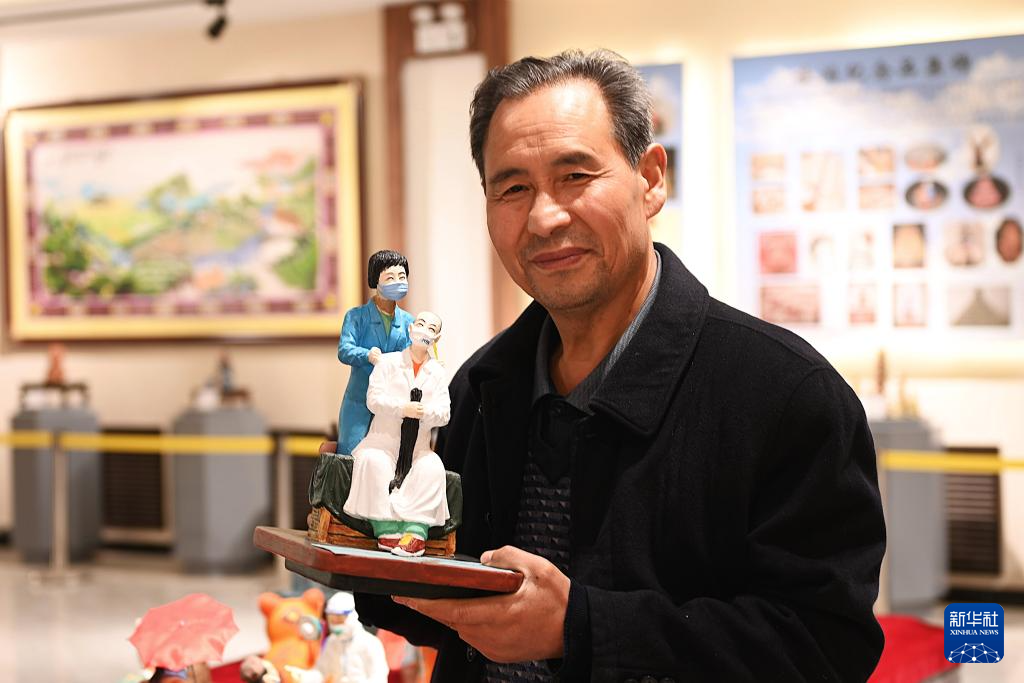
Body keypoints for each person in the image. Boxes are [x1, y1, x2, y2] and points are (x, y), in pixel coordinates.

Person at [355, 49, 885, 681]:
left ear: (651, 179)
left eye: (575, 175)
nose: (544, 217)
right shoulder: (481, 386)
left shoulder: (784, 395)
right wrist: (366, 543)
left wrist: (581, 626)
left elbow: (826, 645)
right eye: (513, 188)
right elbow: (452, 604)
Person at [343, 311, 450, 558]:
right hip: (383, 441)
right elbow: (373, 400)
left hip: (418, 447)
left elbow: (444, 413)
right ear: (411, 329)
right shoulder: (388, 363)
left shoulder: (437, 373)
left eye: (431, 328)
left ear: (436, 338)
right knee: (373, 463)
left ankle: (416, 531)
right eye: (421, 324)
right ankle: (386, 528)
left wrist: (423, 412)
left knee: (432, 468)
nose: (424, 330)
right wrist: (402, 409)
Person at [337, 250, 416, 455]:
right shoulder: (356, 317)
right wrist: (367, 355)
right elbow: (344, 350)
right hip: (359, 402)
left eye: (402, 277)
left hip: (393, 403)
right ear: (375, 280)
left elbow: (414, 358)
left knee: (391, 458)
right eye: (390, 278)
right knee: (351, 455)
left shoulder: (409, 322)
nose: (398, 282)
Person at [286, 592, 389, 683]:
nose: (335, 624)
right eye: (332, 619)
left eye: (339, 619)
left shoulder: (370, 643)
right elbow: (321, 671)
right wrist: (302, 677)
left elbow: (378, 677)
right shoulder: (332, 642)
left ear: (353, 615)